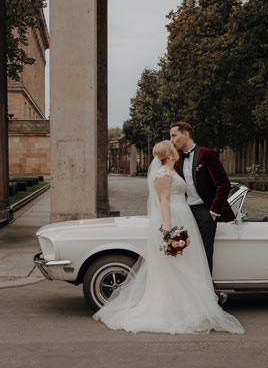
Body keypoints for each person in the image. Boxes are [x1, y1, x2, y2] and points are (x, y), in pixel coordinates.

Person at [93, 140, 243, 335]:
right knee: (174, 265)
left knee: (187, 263)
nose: (176, 148)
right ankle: (174, 309)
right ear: (169, 153)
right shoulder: (163, 173)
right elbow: (163, 198)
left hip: (184, 215)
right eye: (173, 146)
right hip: (173, 216)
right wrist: (167, 224)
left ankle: (188, 306)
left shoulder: (172, 171)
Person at [168, 121, 235, 274]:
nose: (171, 140)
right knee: (185, 252)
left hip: (205, 212)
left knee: (204, 253)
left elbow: (223, 184)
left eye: (174, 135)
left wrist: (213, 212)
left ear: (186, 134)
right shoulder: (177, 159)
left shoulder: (206, 154)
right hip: (184, 212)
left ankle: (206, 291)